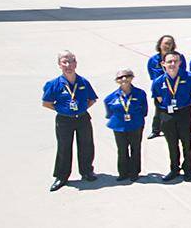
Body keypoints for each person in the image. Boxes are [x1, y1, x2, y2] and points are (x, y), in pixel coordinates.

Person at [42, 51, 98, 191]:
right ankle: (62, 176)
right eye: (64, 62)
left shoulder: (83, 82)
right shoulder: (54, 84)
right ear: (59, 65)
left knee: (86, 145)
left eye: (71, 61)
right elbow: (46, 102)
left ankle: (86, 171)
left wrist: (80, 109)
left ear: (76, 64)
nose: (68, 65)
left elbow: (92, 99)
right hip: (64, 121)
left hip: (82, 119)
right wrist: (63, 110)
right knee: (64, 148)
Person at [151, 52, 191, 181]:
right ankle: (174, 169)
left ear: (180, 63)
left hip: (184, 112)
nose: (172, 64)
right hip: (167, 114)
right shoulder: (158, 81)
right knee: (171, 142)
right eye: (169, 61)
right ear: (163, 64)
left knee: (186, 142)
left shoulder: (189, 77)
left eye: (175, 61)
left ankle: (188, 169)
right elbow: (159, 99)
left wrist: (184, 106)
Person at [103, 68, 147, 182]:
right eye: (120, 77)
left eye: (127, 76)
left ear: (132, 78)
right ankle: (123, 172)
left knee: (135, 149)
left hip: (135, 125)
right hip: (119, 127)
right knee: (122, 150)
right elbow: (109, 113)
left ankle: (134, 172)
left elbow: (144, 110)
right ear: (116, 81)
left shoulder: (140, 93)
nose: (124, 79)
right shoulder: (110, 98)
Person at [146, 35, 183, 139]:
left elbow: (182, 71)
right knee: (159, 110)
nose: (168, 46)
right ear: (160, 44)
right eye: (166, 43)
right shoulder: (153, 60)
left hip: (175, 87)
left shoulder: (179, 57)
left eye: (170, 43)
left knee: (179, 109)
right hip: (161, 88)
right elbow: (152, 75)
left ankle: (177, 128)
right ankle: (156, 129)